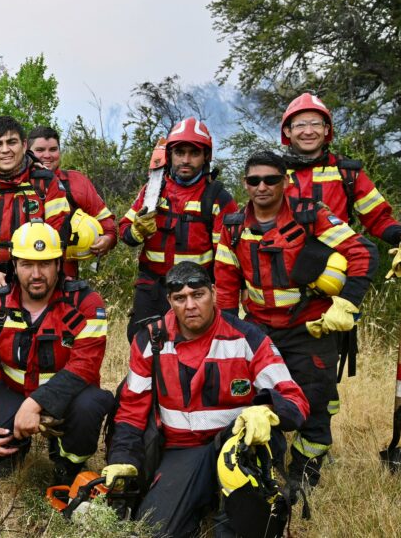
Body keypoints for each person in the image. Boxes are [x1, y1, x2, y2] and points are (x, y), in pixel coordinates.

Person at [102, 262, 310, 538]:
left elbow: (296, 401)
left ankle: (237, 512)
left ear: (213, 293)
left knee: (245, 527)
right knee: (153, 532)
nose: (190, 305)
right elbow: (131, 413)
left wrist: (268, 410)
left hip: (238, 447)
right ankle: (200, 497)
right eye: (180, 298)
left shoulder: (247, 337)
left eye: (198, 294)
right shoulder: (149, 342)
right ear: (169, 301)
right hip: (181, 451)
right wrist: (121, 459)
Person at [214, 150, 377, 494]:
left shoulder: (310, 216)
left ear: (284, 182)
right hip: (258, 330)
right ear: (245, 184)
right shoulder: (232, 228)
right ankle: (259, 467)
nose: (262, 187)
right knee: (252, 398)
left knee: (316, 400)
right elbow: (227, 285)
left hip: (309, 328)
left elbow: (362, 252)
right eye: (254, 180)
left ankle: (303, 475)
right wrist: (226, 335)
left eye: (271, 179)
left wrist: (347, 304)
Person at [279, 92, 401, 380]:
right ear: (287, 131)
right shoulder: (274, 174)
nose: (308, 131)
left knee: (321, 380)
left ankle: (320, 424)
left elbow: (377, 217)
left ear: (327, 130)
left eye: (315, 123)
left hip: (330, 290)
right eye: (299, 124)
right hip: (279, 289)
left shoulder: (347, 173)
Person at [0, 221, 113, 484]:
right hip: (13, 390)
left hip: (69, 398)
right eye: (27, 264)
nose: (36, 274)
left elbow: (84, 367)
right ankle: (13, 451)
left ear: (58, 265)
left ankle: (67, 462)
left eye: (45, 264)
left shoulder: (85, 303)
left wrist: (34, 404)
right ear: (15, 266)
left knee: (90, 404)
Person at [118, 117, 237, 341]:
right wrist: (137, 231)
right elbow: (124, 231)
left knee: (192, 348)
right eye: (180, 152)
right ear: (170, 155)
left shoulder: (217, 198)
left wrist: (225, 307)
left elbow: (226, 261)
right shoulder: (153, 190)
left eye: (194, 153)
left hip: (194, 291)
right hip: (153, 288)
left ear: (206, 157)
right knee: (141, 342)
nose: (186, 160)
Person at [0, 116, 71, 313]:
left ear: (24, 145)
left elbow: (59, 230)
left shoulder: (46, 183)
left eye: (12, 142)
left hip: (37, 277)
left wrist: (33, 272)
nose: (5, 149)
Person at [27, 125, 119, 275]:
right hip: (25, 273)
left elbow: (107, 223)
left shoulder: (77, 181)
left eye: (53, 149)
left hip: (65, 275)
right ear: (28, 152)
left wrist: (108, 239)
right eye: (40, 150)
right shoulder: (18, 183)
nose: (47, 155)